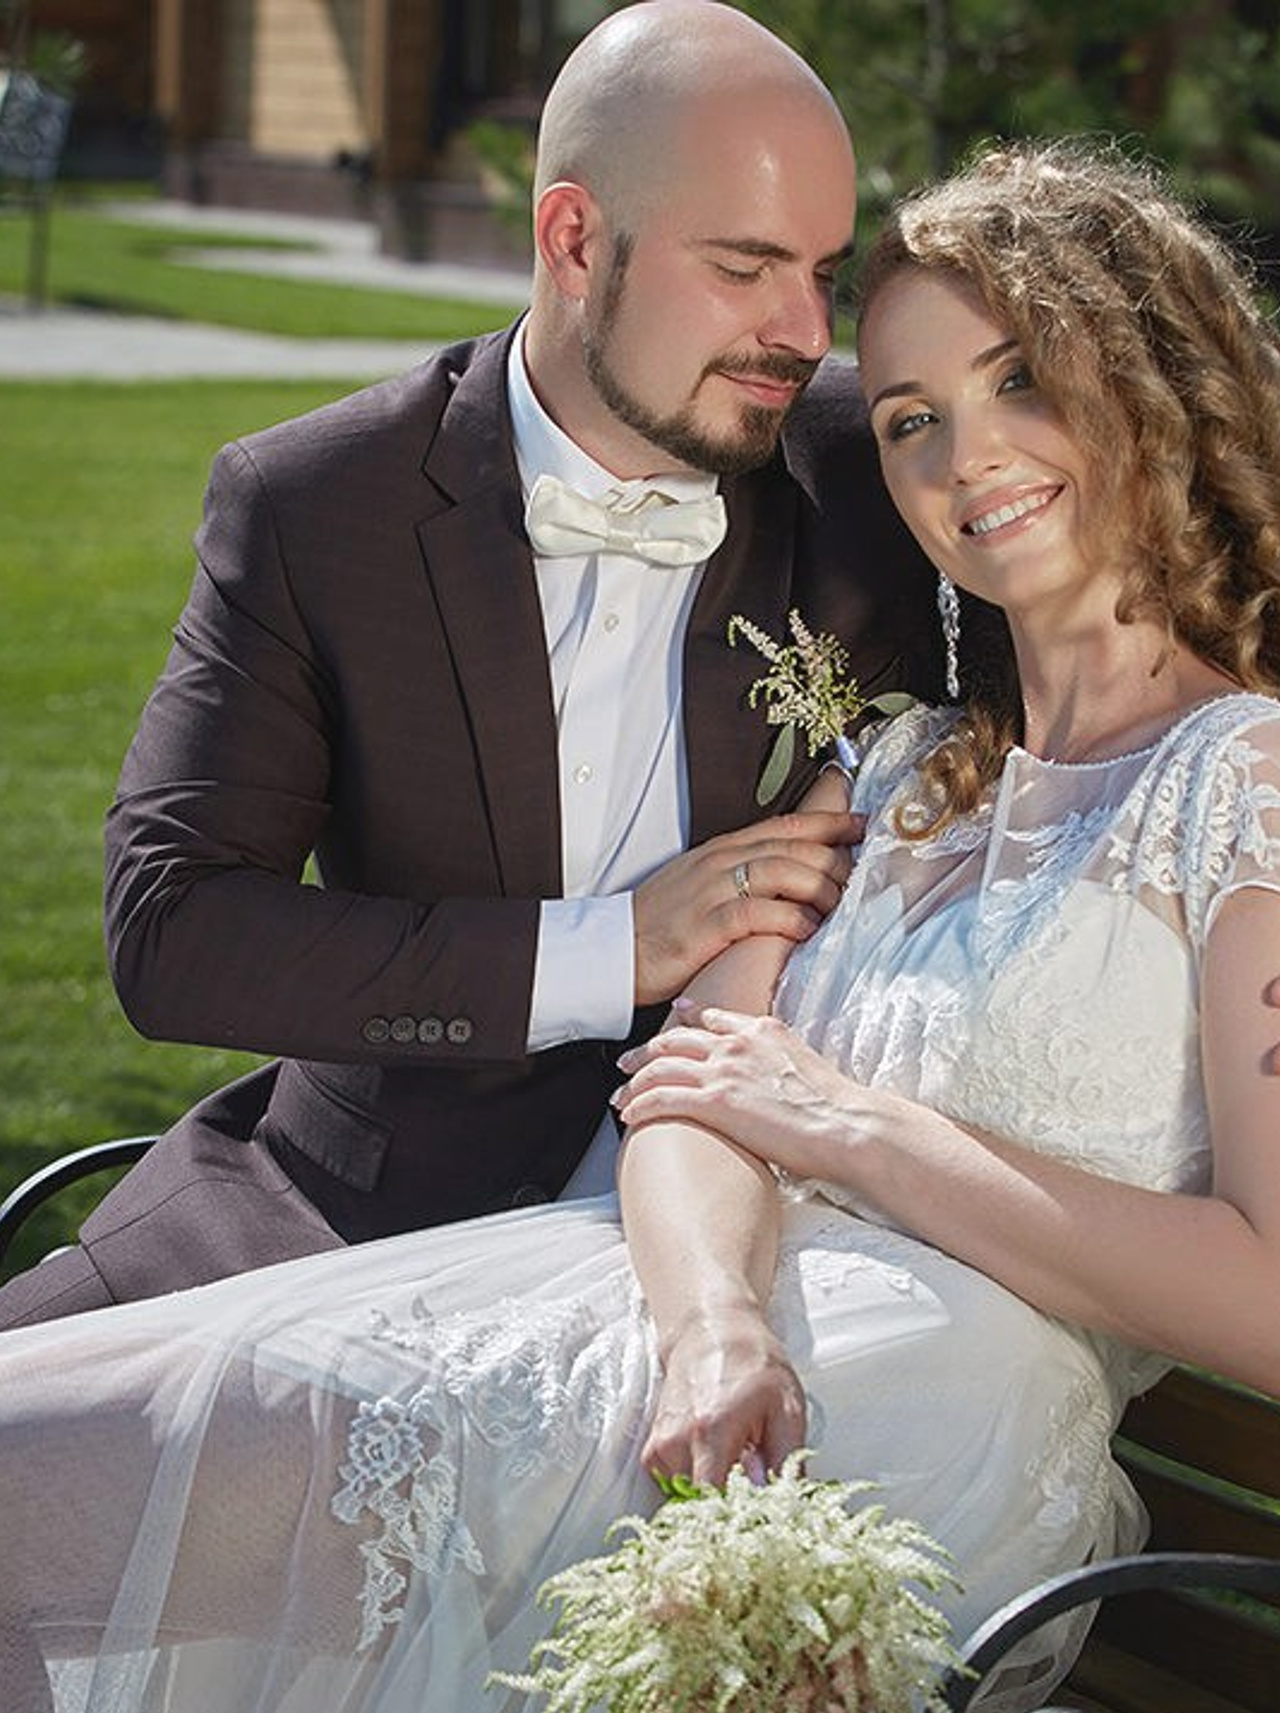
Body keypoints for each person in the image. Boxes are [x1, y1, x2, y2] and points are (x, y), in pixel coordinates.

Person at [4, 138, 1280, 1713]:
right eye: (906, 415)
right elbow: (694, 1091)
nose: (962, 455)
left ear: (1154, 384)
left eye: (1024, 381)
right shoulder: (905, 767)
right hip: (681, 1326)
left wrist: (854, 1130)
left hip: (930, 1420)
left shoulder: (1248, 786)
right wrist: (705, 1327)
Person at [0, 0, 950, 1331]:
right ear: (572, 240)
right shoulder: (321, 506)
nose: (801, 328)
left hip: (765, 1236)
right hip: (362, 1217)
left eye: (824, 271)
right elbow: (176, 930)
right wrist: (614, 946)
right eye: (745, 267)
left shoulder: (880, 462)